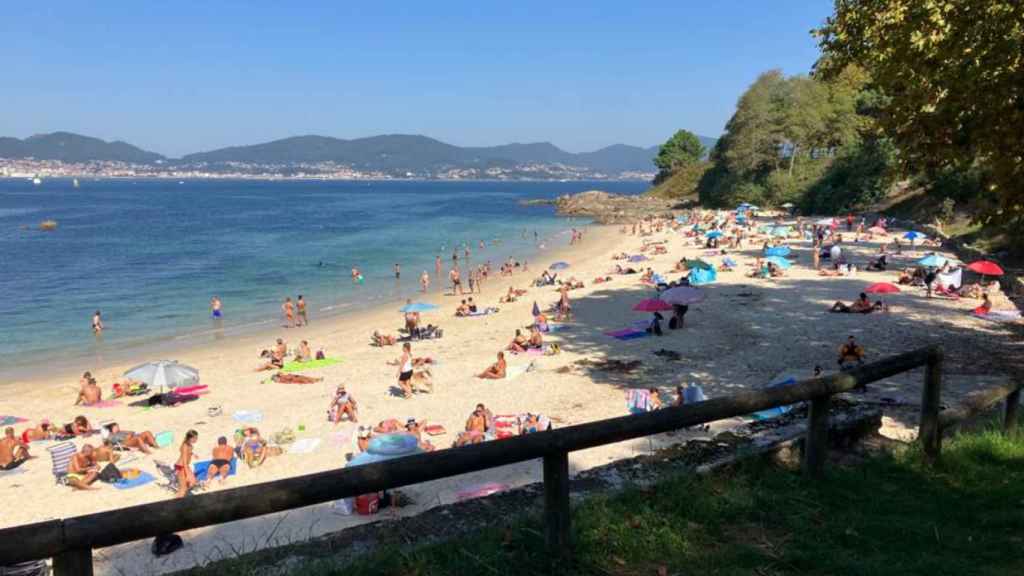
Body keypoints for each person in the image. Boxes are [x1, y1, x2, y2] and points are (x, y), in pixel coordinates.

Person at [176, 430, 198, 497]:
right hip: (181, 466)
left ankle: (181, 494)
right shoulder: (185, 446)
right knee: (183, 488)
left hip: (184, 466)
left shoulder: (188, 444)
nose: (196, 439)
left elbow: (182, 450)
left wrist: (192, 454)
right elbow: (184, 461)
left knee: (192, 482)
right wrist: (187, 474)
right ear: (190, 438)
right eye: (195, 438)